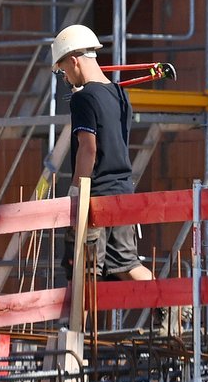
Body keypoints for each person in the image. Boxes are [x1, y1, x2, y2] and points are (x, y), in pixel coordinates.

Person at [52, 25, 183, 335]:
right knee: (123, 265)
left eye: (63, 71)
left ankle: (72, 343)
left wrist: (75, 191)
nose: (66, 79)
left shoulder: (83, 100)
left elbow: (88, 147)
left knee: (82, 271)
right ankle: (168, 303)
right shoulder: (119, 95)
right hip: (123, 194)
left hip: (97, 197)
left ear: (73, 60)